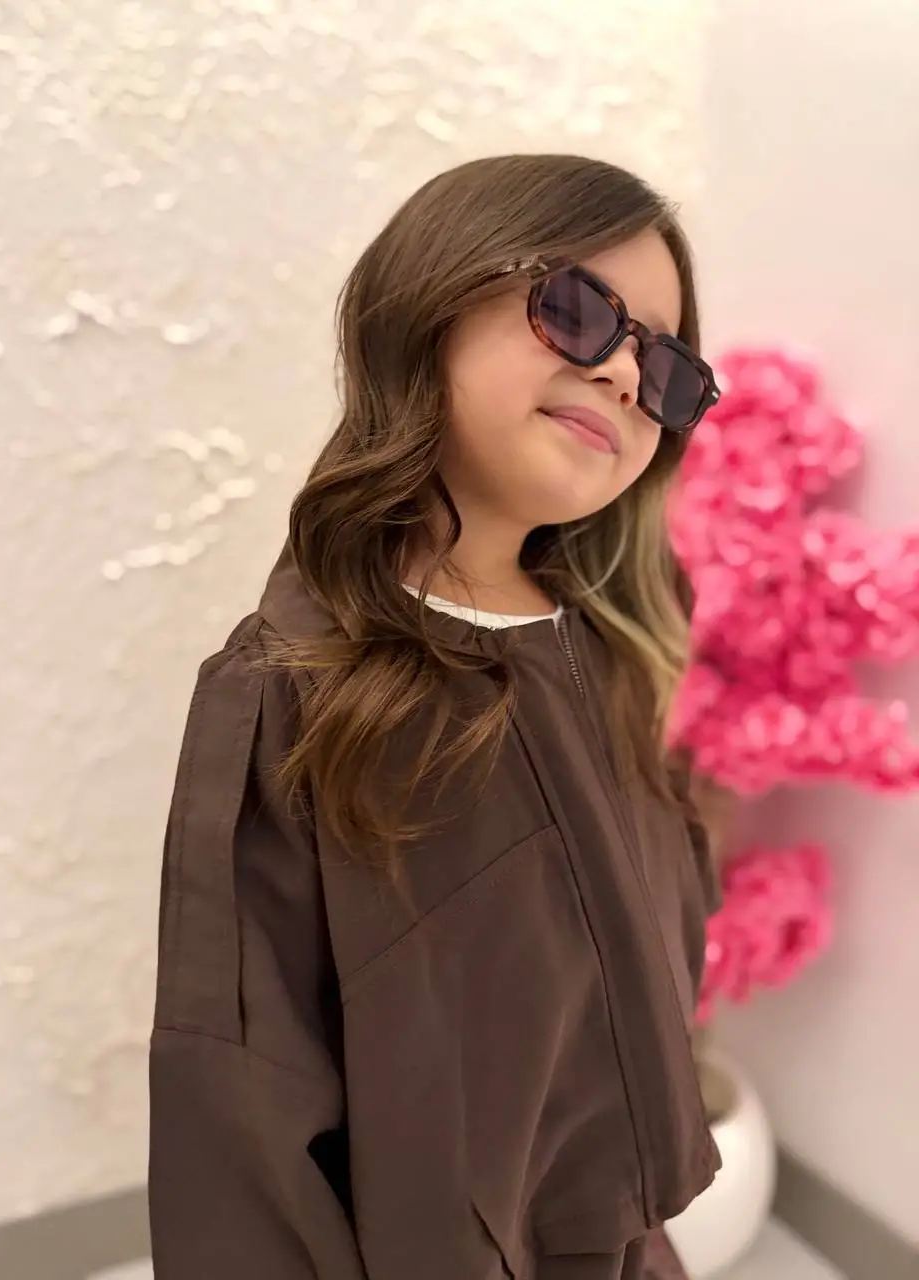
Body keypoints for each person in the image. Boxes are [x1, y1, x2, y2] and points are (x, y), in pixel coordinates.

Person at [148, 153, 723, 1280]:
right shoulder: (297, 690)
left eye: (665, 366)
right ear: (430, 299)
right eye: (579, 310)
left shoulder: (614, 654)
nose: (622, 374)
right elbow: (241, 1112)